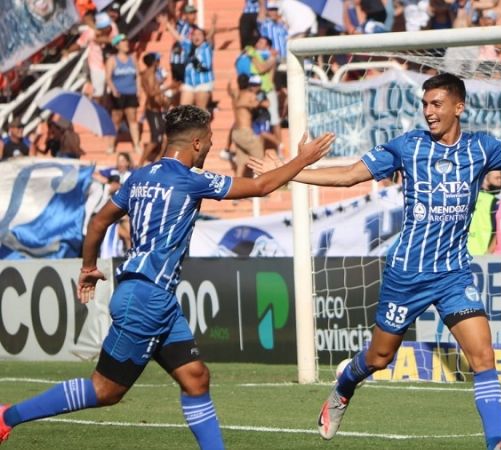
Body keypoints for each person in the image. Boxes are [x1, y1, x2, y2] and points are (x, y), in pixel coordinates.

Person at [251, 73, 501, 449]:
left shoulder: (481, 148)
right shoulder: (408, 146)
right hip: (407, 274)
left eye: (437, 103)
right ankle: (344, 387)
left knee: (483, 357)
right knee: (379, 357)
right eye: (425, 104)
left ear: (459, 107)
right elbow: (349, 175)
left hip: (454, 274)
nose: (429, 111)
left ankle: (496, 442)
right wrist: (289, 171)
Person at [0, 105, 335, 447]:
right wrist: (303, 159)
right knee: (105, 390)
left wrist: (88, 267)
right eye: (209, 139)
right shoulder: (191, 179)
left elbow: (99, 221)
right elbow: (261, 186)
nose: (210, 146)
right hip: (146, 301)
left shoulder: (139, 177)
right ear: (196, 143)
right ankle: (7, 417)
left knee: (195, 378)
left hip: (153, 298)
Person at [106, 34, 142, 155]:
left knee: (133, 119)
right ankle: (111, 145)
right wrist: (113, 89)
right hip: (118, 94)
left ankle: (136, 145)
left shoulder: (132, 58)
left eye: (126, 41)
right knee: (116, 120)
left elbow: (137, 76)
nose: (126, 44)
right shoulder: (112, 60)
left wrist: (138, 90)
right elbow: (108, 77)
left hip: (131, 92)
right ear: (117, 45)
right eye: (123, 42)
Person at [141, 52, 169, 164]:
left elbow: (152, 87)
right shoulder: (150, 75)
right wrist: (169, 87)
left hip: (155, 109)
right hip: (153, 111)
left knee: (166, 135)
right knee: (155, 140)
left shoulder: (148, 73)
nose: (159, 63)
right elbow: (151, 93)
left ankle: (158, 159)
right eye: (158, 61)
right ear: (154, 63)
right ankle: (140, 164)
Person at [467, 170, 501, 256]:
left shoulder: (467, 197)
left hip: (466, 254)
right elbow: (499, 232)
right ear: (485, 178)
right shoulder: (495, 202)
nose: (500, 182)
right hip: (482, 255)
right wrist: (488, 253)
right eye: (497, 178)